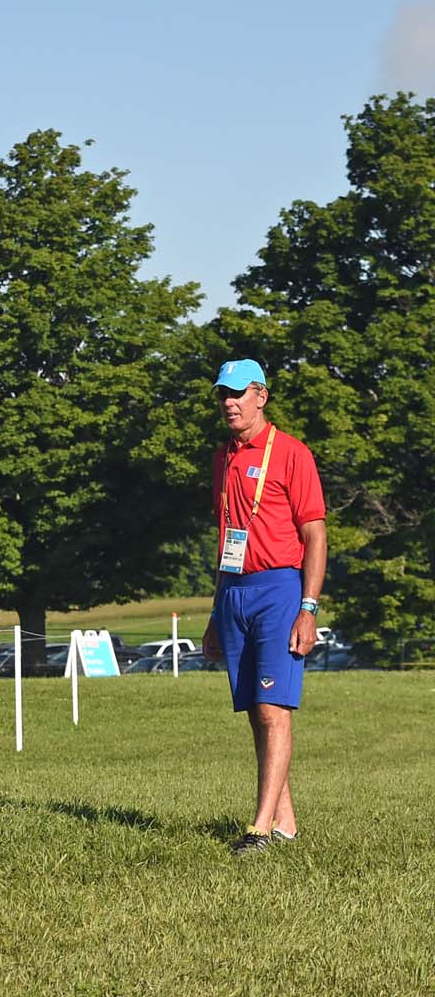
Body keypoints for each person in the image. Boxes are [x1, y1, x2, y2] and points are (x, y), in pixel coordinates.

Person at [200, 359, 327, 857]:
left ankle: (258, 828)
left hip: (279, 588)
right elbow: (227, 538)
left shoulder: (292, 453)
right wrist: (215, 611)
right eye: (222, 395)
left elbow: (315, 533)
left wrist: (308, 607)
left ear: (261, 396)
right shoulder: (222, 458)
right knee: (256, 709)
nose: (228, 403)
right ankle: (286, 822)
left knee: (274, 709)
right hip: (234, 589)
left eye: (237, 393)